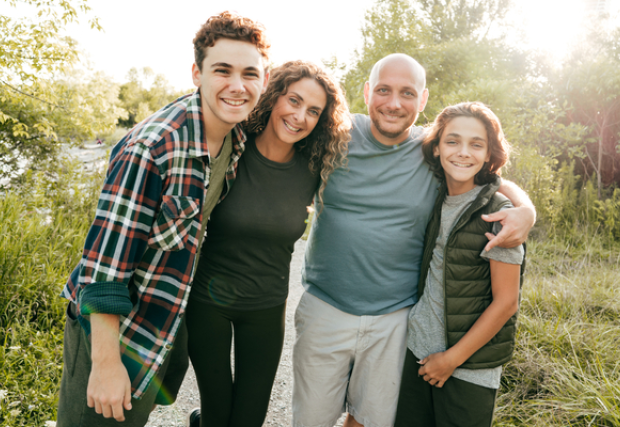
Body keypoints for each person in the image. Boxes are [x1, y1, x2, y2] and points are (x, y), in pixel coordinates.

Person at [293, 54, 536, 427]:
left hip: (394, 319)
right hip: (326, 308)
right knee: (311, 420)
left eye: (407, 93)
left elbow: (489, 178)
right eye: (384, 90)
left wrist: (526, 211)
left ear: (422, 100)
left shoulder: (431, 148)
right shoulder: (336, 135)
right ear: (367, 92)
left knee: (370, 420)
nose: (394, 103)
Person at [56, 11, 270, 427]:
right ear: (197, 73)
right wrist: (105, 364)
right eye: (222, 71)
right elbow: (104, 268)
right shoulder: (152, 148)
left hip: (162, 321)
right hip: (113, 332)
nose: (238, 86)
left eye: (250, 74)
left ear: (264, 79)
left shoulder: (237, 137)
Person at [185, 60, 350, 427]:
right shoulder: (231, 147)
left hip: (266, 306)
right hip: (208, 303)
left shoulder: (316, 167)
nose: (299, 116)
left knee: (248, 420)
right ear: (273, 96)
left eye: (313, 111)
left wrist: (511, 202)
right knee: (218, 413)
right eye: (293, 100)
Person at [393, 102, 524, 427]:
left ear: (488, 152)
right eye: (452, 141)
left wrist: (451, 359)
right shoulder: (432, 195)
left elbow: (506, 302)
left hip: (469, 367)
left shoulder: (499, 213)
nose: (463, 152)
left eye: (476, 144)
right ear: (436, 148)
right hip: (417, 352)